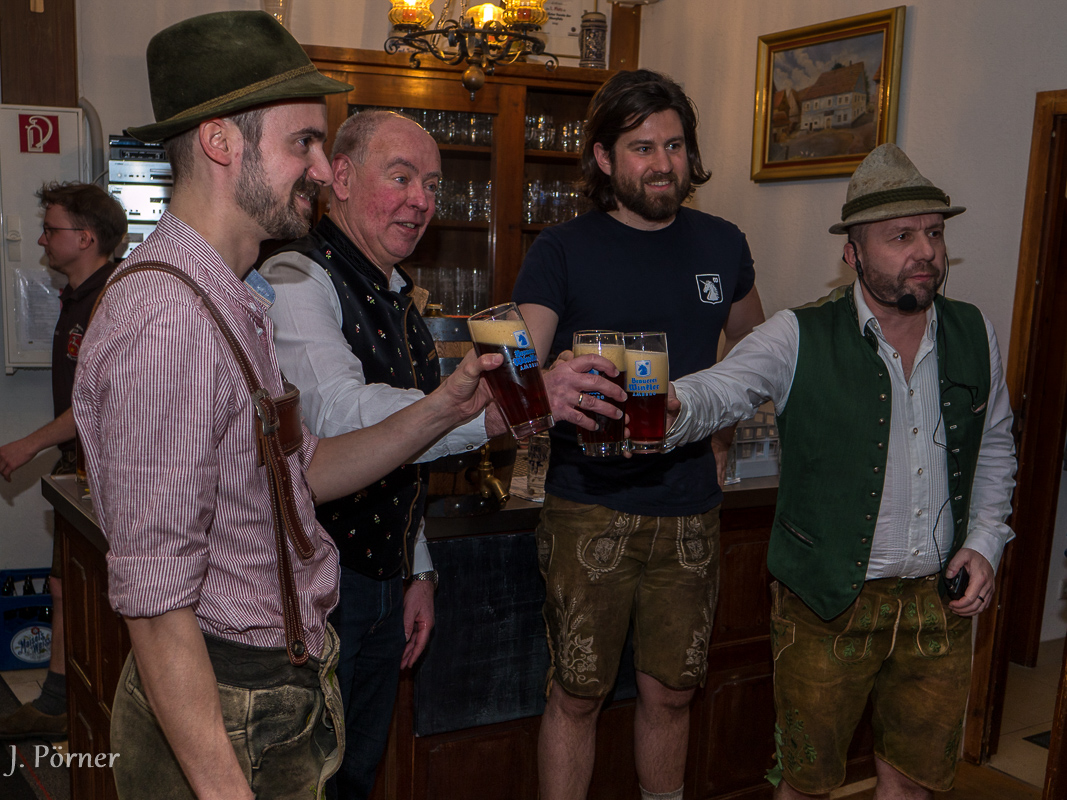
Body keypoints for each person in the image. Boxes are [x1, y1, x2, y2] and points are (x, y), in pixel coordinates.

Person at [70, 12, 504, 800]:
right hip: (221, 699)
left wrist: (445, 408)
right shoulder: (168, 319)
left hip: (267, 685)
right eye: (303, 141)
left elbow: (300, 473)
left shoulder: (231, 297)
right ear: (220, 143)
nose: (324, 169)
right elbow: (157, 605)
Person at [260, 108, 626, 799]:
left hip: (379, 579)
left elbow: (404, 456)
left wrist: (417, 569)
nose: (422, 200)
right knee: (308, 781)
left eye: (431, 185)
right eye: (400, 177)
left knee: (356, 775)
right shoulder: (295, 276)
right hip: (314, 587)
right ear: (341, 178)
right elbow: (338, 417)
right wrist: (489, 411)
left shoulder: (396, 293)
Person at [667, 143, 1017, 799]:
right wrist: (670, 403)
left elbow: (994, 443)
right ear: (852, 253)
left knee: (912, 783)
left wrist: (984, 540)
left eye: (934, 233)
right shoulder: (797, 334)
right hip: (826, 602)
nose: (926, 251)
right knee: (806, 784)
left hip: (938, 607)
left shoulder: (975, 333)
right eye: (901, 236)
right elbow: (722, 389)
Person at [511, 69, 765, 800]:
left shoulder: (723, 243)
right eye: (642, 147)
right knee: (577, 695)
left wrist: (722, 433)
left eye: (675, 146)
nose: (663, 164)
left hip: (689, 508)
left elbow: (755, 354)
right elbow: (519, 371)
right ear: (603, 157)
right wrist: (545, 375)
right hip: (587, 505)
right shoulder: (560, 249)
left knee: (673, 694)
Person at [0, 181, 126, 743]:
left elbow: (95, 403)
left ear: (87, 238)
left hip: (111, 473)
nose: (43, 240)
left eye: (51, 230)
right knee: (63, 582)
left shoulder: (111, 300)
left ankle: (84, 705)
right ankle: (60, 699)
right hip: (79, 467)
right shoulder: (78, 297)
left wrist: (26, 446)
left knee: (92, 587)